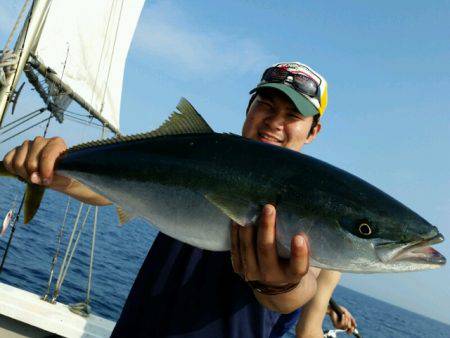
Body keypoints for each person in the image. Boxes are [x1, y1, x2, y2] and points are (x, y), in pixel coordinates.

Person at [3, 62, 335, 337]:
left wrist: (279, 284)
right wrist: (55, 173)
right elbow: (116, 191)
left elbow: (301, 288)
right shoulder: (197, 155)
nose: (275, 122)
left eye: (292, 115)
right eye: (266, 105)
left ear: (313, 131)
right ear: (249, 107)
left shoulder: (314, 200)